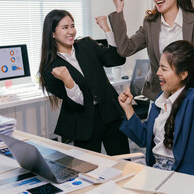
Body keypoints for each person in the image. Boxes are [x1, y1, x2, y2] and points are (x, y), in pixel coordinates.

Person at [117, 8, 194, 177]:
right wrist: (128, 108)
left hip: (182, 176)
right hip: (155, 170)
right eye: (159, 67)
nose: (158, 73)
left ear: (183, 74)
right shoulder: (161, 99)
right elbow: (144, 138)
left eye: (164, 69)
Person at [38, 10, 130, 155]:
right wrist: (68, 80)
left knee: (124, 163)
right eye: (65, 27)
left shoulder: (87, 44)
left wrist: (106, 28)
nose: (71, 31)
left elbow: (116, 59)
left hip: (110, 114)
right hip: (84, 124)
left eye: (72, 26)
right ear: (53, 33)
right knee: (89, 170)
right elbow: (78, 102)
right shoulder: (50, 69)